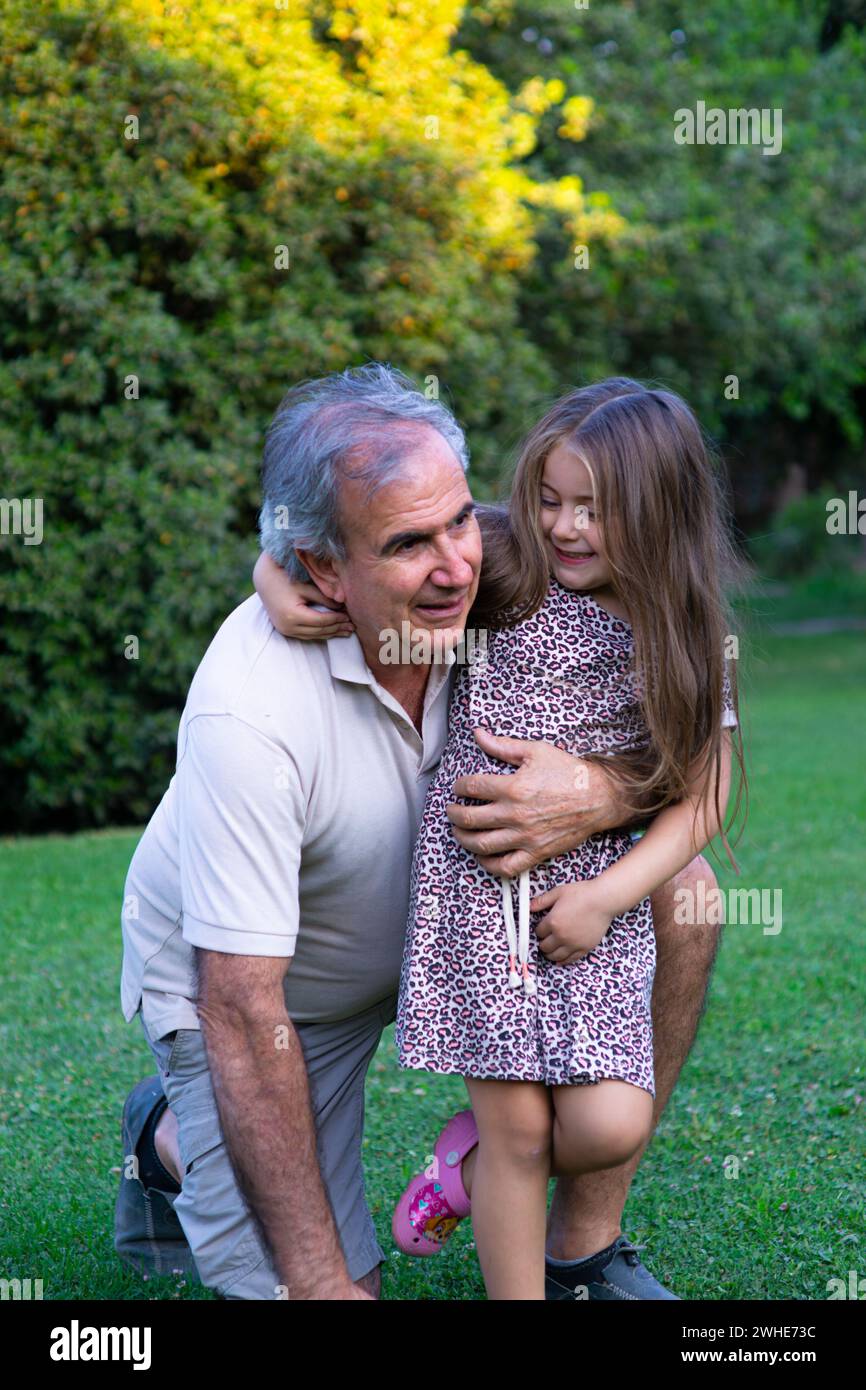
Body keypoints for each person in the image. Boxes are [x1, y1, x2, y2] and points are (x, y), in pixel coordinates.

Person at [116, 363, 694, 1302]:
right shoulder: (248, 711)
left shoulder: (495, 587)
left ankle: (583, 1250)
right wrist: (318, 1281)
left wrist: (598, 795)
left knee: (687, 881)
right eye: (407, 545)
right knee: (334, 1286)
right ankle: (170, 1136)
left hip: (461, 935)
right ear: (323, 569)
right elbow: (239, 1003)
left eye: (461, 520)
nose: (456, 564)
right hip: (283, 1008)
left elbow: (693, 765)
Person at [256, 376, 745, 1300]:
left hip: (593, 900)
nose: (565, 527)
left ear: (661, 514)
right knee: (520, 1133)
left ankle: (459, 1177)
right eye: (552, 499)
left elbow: (709, 781)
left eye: (595, 511)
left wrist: (610, 896)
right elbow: (365, 535)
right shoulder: (510, 557)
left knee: (607, 1128)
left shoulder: (680, 631)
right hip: (479, 891)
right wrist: (271, 575)